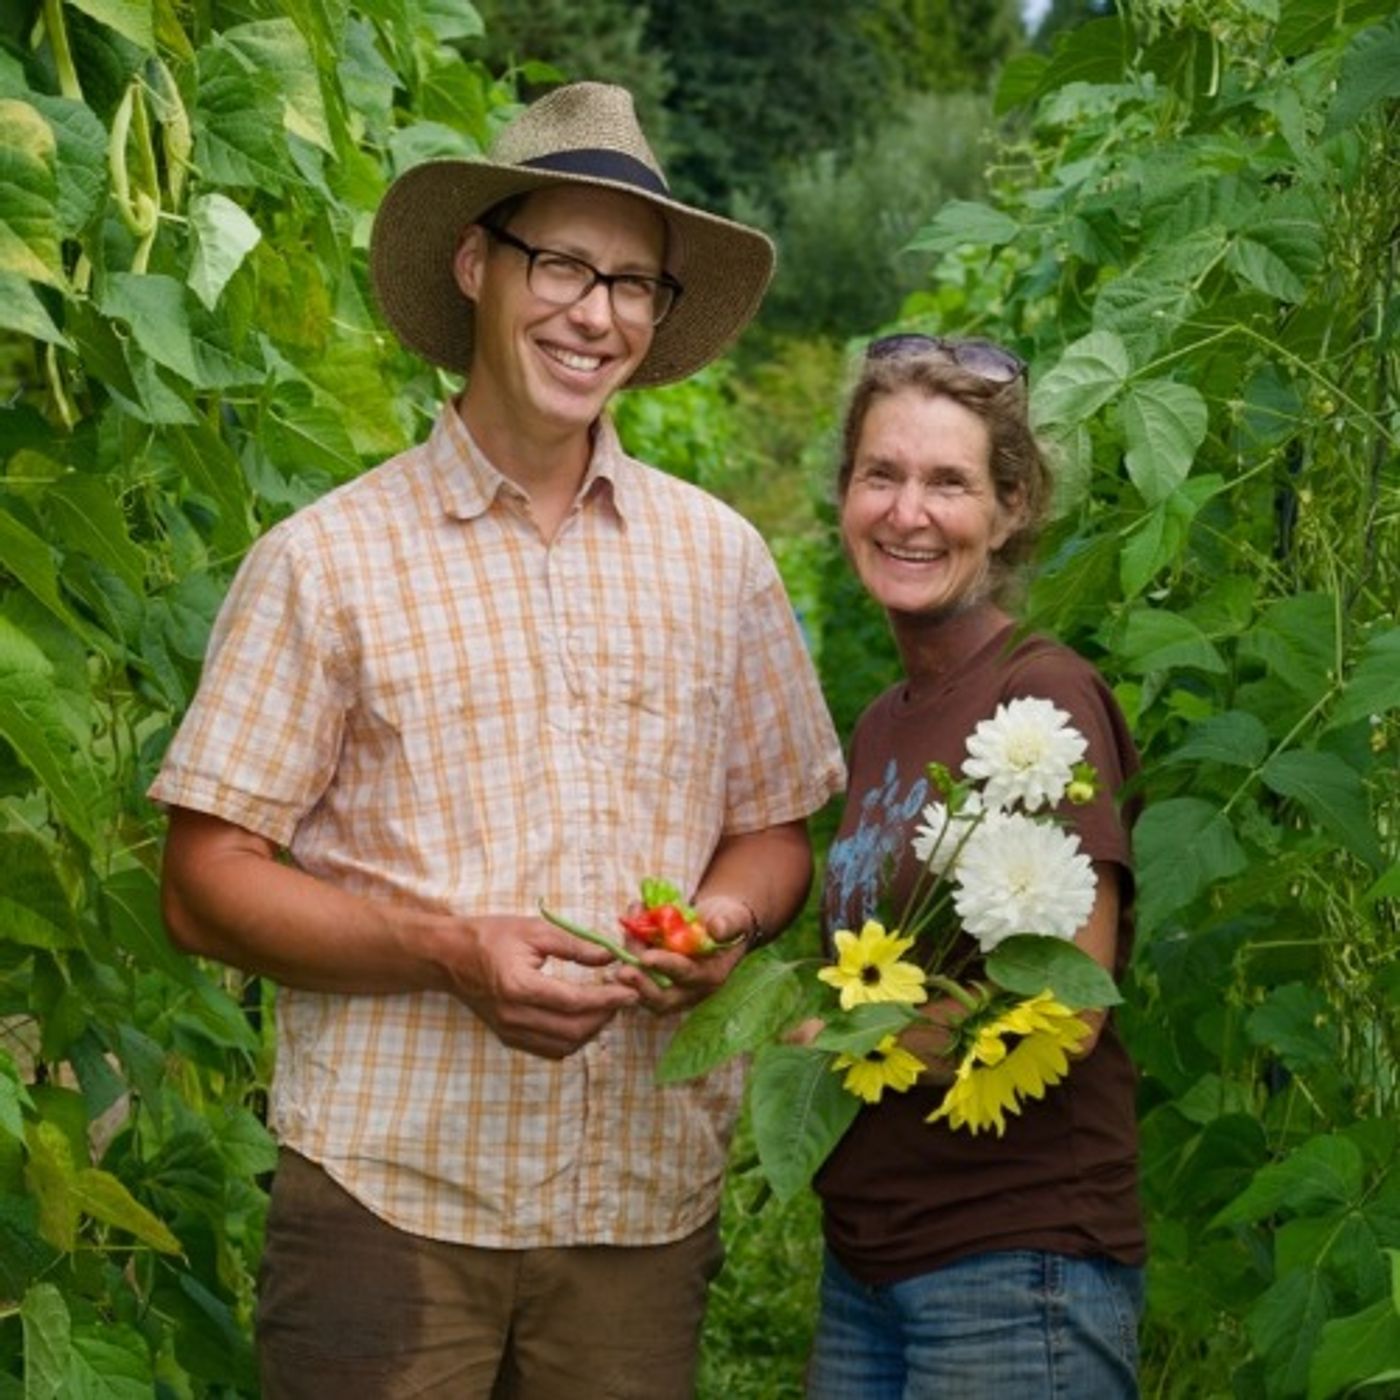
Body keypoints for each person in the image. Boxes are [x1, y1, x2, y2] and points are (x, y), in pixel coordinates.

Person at [150, 82, 844, 1399]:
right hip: (390, 1203)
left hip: (637, 1210)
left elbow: (770, 830)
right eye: (565, 264)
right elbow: (202, 883)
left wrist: (722, 926)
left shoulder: (721, 562)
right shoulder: (327, 563)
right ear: (476, 264)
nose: (598, 313)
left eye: (636, 283)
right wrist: (446, 951)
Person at [806, 336, 1145, 1399]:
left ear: (1008, 510)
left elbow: (1064, 1007)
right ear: (845, 496)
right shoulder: (880, 725)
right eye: (881, 474)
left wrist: (838, 1032)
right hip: (868, 1261)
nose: (907, 512)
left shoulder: (1041, 704)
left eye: (947, 481)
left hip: (1013, 1266)